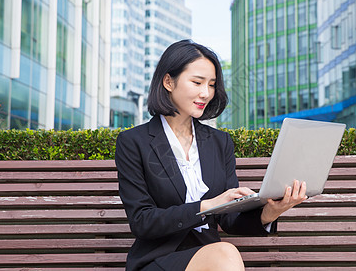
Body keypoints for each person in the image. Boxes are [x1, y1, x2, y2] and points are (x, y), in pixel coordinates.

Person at [115, 40, 307, 270]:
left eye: (212, 84)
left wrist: (269, 212)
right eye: (197, 82)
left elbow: (229, 220)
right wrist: (207, 206)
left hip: (210, 257)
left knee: (224, 253)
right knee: (225, 253)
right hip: (157, 259)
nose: (205, 93)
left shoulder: (219, 142)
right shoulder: (134, 142)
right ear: (168, 81)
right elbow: (142, 222)